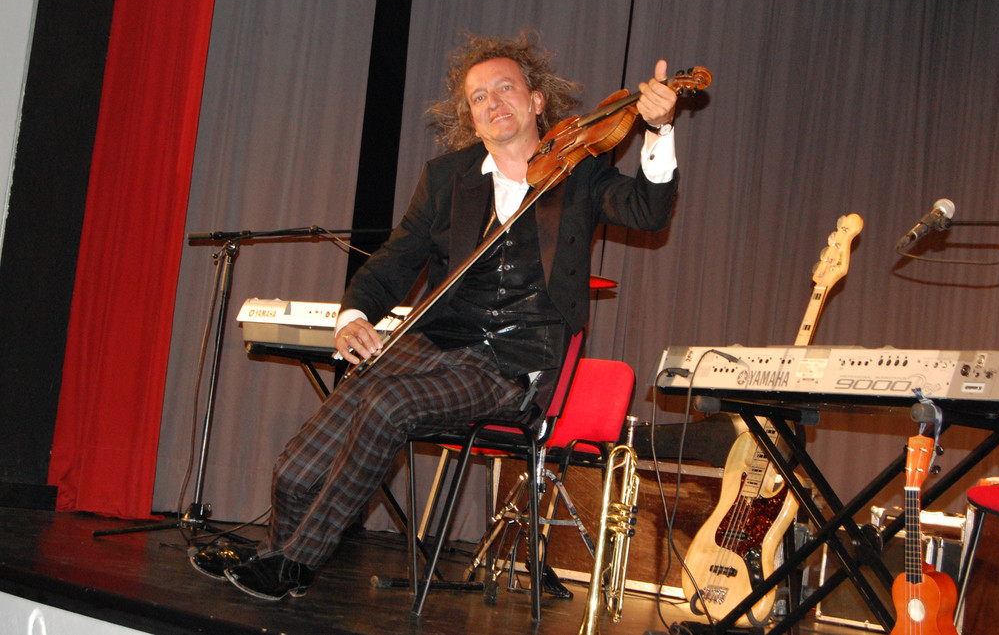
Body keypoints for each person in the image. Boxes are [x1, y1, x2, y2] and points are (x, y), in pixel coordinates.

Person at [190, 31, 682, 600]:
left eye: (506, 88)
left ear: (536, 100)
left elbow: (647, 211)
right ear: (471, 118)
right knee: (298, 465)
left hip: (514, 365)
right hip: (435, 342)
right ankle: (275, 559)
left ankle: (296, 563)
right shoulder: (449, 176)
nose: (494, 103)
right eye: (479, 97)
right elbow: (397, 258)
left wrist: (658, 129)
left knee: (388, 405)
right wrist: (353, 315)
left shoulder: (582, 172)